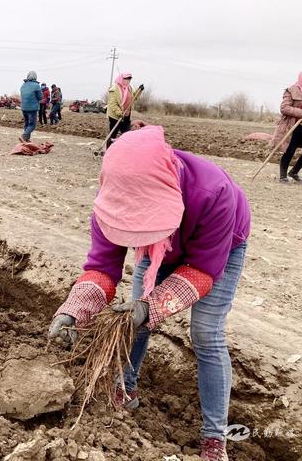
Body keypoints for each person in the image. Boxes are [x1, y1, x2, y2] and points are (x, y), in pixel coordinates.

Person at [48, 125, 250, 461]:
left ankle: (215, 437)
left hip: (220, 249)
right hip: (155, 250)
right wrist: (73, 309)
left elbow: (201, 271)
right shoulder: (111, 204)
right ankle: (124, 388)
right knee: (134, 317)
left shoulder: (213, 193)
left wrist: (150, 307)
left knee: (206, 333)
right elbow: (101, 268)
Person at [272, 71, 302, 183]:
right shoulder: (291, 90)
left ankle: (294, 172)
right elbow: (284, 108)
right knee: (290, 150)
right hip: (292, 126)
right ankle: (283, 176)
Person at [106, 72, 143, 149]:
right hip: (115, 116)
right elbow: (112, 103)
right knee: (113, 134)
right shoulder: (114, 89)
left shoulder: (129, 88)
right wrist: (120, 113)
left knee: (126, 134)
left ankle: (123, 153)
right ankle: (108, 151)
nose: (128, 81)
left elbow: (134, 98)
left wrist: (139, 90)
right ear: (122, 79)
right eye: (126, 79)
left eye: (130, 79)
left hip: (126, 116)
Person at [19, 71, 42, 143]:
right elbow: (40, 97)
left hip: (24, 107)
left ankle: (26, 139)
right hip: (32, 108)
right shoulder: (36, 86)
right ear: (35, 77)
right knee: (32, 125)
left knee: (26, 124)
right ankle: (24, 136)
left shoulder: (23, 85)